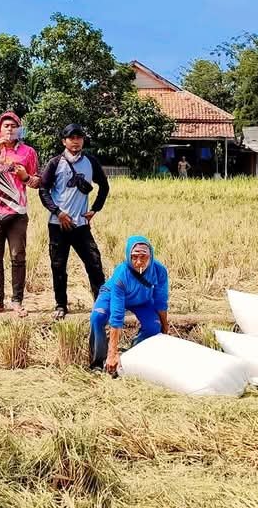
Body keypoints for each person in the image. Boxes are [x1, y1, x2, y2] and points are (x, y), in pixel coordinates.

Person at [39, 123, 109, 320]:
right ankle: (61, 305)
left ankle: (101, 305)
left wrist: (95, 209)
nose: (75, 141)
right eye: (71, 138)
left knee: (94, 263)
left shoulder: (90, 162)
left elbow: (104, 186)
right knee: (58, 266)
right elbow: (43, 190)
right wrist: (58, 212)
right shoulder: (55, 163)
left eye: (79, 137)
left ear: (83, 140)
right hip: (58, 225)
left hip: (81, 225)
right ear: (64, 141)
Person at [0, 111, 41, 317]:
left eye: (14, 126)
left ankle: (17, 301)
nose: (10, 129)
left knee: (17, 257)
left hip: (17, 213)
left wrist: (25, 177)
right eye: (6, 126)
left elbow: (37, 182)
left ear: (19, 130)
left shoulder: (28, 152)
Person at [89, 235, 169, 374]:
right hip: (112, 295)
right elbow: (117, 315)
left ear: (150, 256)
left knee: (153, 327)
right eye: (134, 257)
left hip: (142, 299)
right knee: (97, 317)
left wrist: (165, 326)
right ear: (128, 256)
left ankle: (130, 357)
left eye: (143, 257)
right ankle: (99, 361)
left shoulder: (159, 271)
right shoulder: (121, 274)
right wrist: (112, 352)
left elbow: (160, 301)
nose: (139, 262)